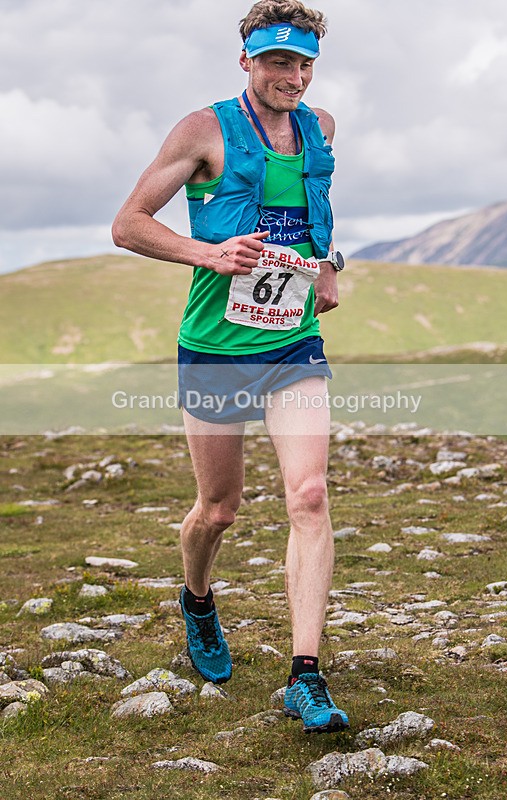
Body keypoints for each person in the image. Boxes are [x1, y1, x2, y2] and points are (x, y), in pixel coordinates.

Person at [112, 0, 348, 734]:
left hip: (292, 342)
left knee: (308, 495)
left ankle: (304, 675)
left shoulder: (321, 129)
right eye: (279, 60)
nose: (294, 75)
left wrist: (330, 267)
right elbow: (128, 225)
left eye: (304, 62)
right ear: (245, 59)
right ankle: (198, 600)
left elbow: (312, 221)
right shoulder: (203, 128)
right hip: (214, 346)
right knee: (218, 511)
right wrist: (207, 252)